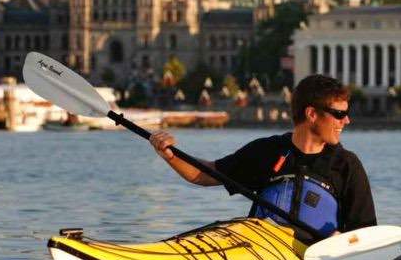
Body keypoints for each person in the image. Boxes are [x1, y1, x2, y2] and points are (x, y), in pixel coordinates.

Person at [149, 74, 376, 241]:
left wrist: (345, 243)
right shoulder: (266, 151)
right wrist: (170, 156)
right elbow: (205, 175)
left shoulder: (346, 166)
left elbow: (366, 233)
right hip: (263, 253)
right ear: (312, 114)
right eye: (339, 114)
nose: (346, 121)